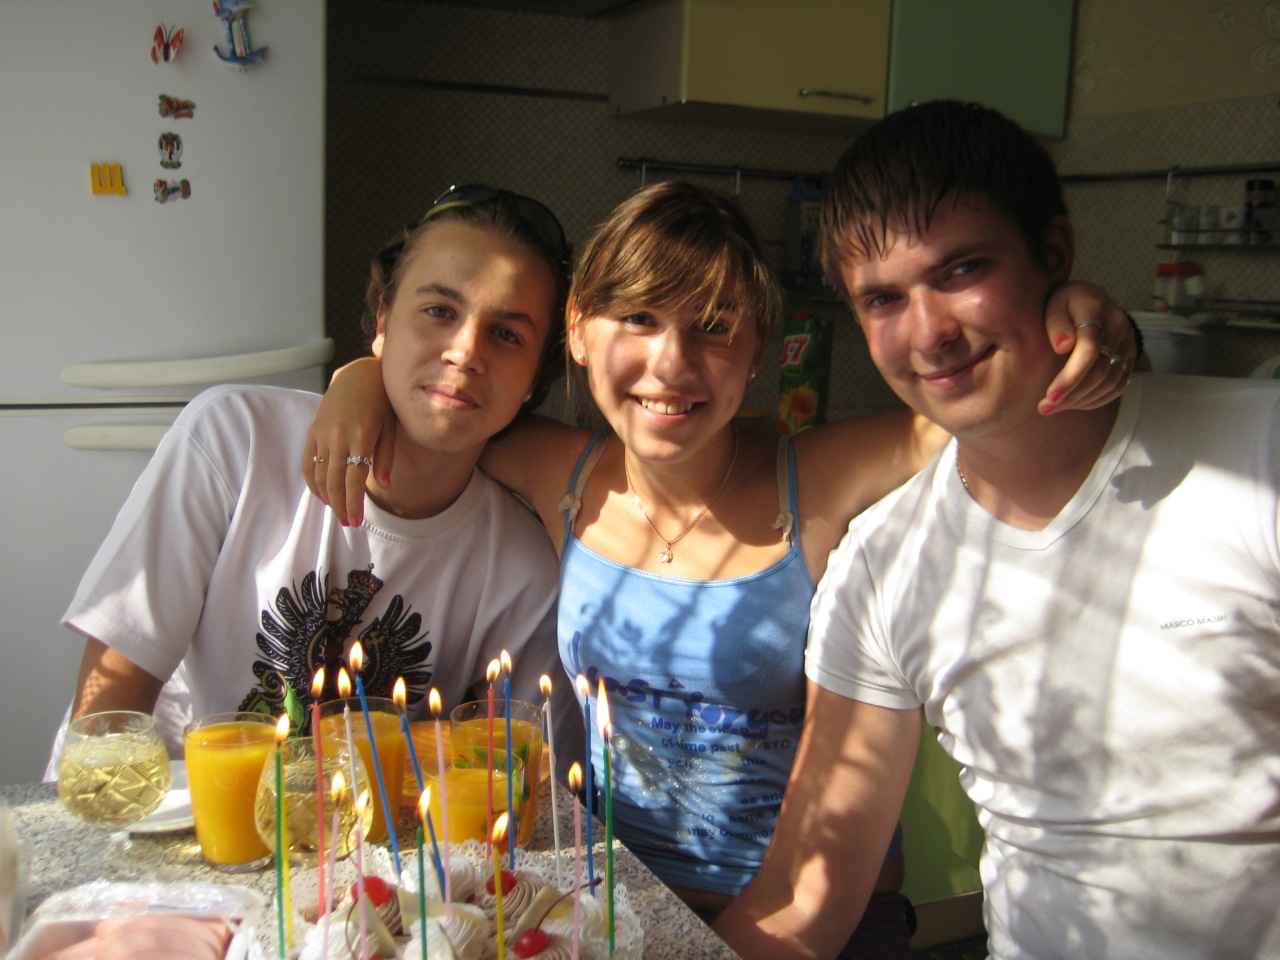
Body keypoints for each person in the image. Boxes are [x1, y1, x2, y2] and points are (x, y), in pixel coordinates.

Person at [304, 180, 1136, 955]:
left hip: (815, 926)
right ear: (579, 331)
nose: (672, 363)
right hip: (617, 910)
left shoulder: (816, 478)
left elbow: (1016, 407)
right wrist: (359, 377)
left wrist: (1071, 323)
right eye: (638, 318)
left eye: (713, 325)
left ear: (758, 346)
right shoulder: (562, 472)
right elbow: (440, 407)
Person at [714, 101, 1280, 960]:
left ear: (1054, 253)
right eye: (883, 299)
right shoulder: (883, 565)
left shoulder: (1257, 458)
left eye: (962, 270)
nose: (930, 334)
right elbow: (803, 894)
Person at [50, 185, 583, 774]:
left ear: (535, 379)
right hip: (177, 807)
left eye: (507, 334)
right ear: (383, 320)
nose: (465, 351)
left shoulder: (523, 571)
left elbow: (517, 778)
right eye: (439, 311)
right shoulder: (235, 439)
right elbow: (112, 704)